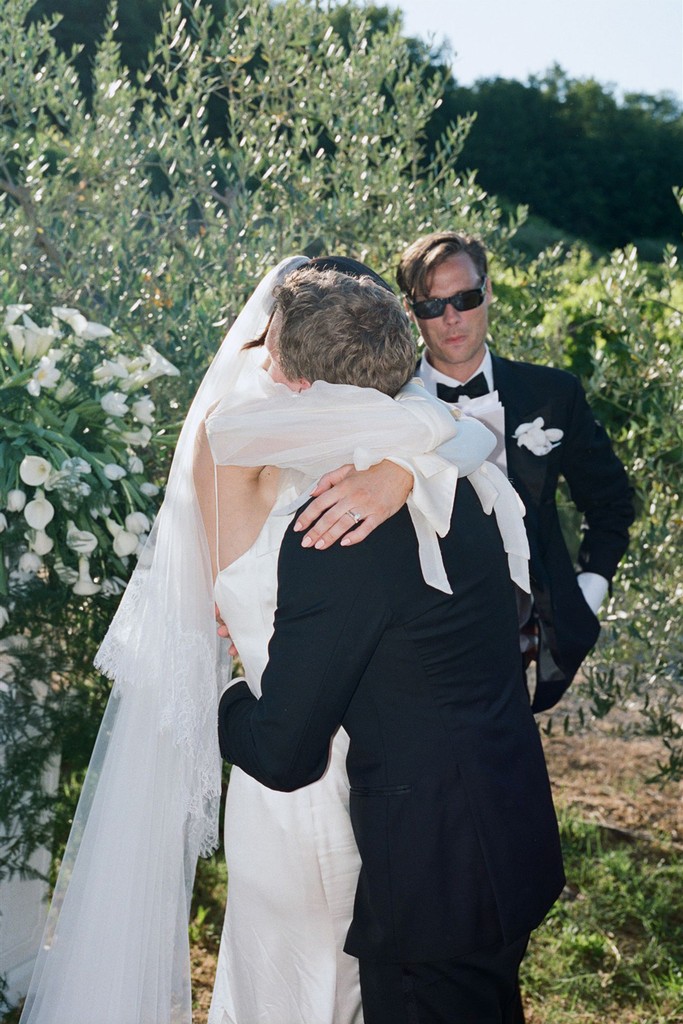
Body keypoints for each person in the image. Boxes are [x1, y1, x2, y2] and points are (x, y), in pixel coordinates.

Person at [18, 255, 496, 1024]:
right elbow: (454, 431)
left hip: (340, 763)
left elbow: (448, 430)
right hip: (301, 779)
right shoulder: (254, 436)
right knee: (309, 992)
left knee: (312, 990)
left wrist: (401, 470)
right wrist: (404, 466)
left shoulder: (303, 437)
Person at [216, 266, 565, 1024]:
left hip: (432, 882)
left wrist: (223, 697)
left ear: (299, 385)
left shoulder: (337, 527)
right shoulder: (451, 474)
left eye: (270, 359)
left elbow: (283, 753)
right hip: (505, 832)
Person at [397, 231, 635, 712]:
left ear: (487, 291)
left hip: (517, 640)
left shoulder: (553, 394)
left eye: (465, 298)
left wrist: (584, 595)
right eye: (432, 305)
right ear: (410, 310)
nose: (451, 318)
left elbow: (611, 502)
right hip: (411, 641)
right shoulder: (388, 404)